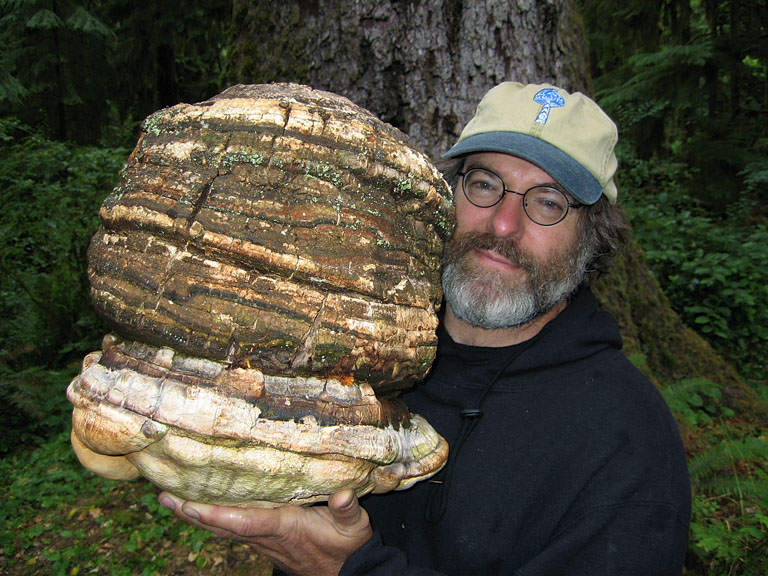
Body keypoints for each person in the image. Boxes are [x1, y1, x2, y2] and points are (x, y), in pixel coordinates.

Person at [157, 81, 692, 575]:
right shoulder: (357, 358)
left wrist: (349, 568)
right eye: (486, 184)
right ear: (448, 196)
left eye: (548, 202)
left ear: (591, 236)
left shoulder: (626, 442)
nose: (503, 225)